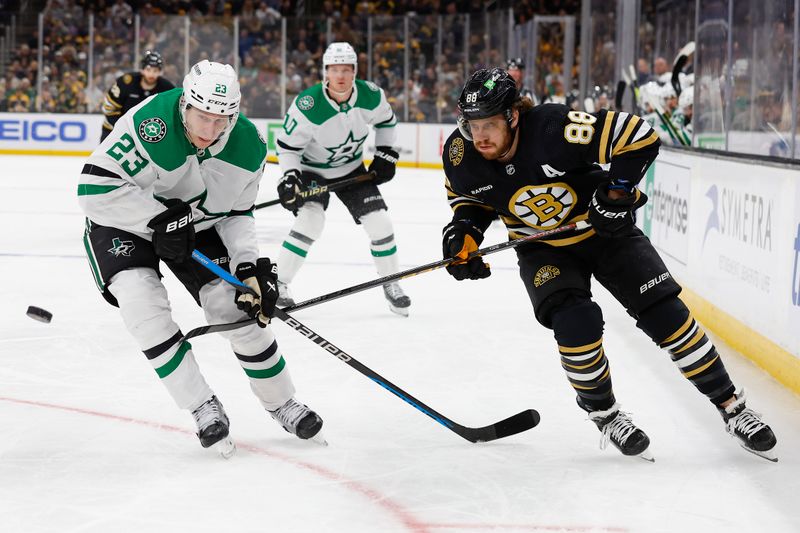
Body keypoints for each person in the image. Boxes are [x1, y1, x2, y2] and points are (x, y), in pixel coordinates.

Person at [440, 68, 777, 462]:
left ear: (514, 115)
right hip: (544, 251)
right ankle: (606, 414)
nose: (479, 136)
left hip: (607, 236)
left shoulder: (554, 127)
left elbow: (639, 135)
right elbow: (471, 200)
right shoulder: (460, 154)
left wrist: (616, 193)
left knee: (667, 316)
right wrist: (463, 233)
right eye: (472, 125)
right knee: (574, 322)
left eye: (490, 125)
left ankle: (732, 406)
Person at [78, 60, 324, 457]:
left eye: (221, 120)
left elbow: (239, 213)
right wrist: (156, 220)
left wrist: (247, 266)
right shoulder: (149, 122)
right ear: (184, 106)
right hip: (124, 221)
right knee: (144, 311)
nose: (210, 131)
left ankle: (281, 402)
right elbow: (92, 190)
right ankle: (201, 406)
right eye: (202, 117)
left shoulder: (249, 146)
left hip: (195, 225)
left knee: (238, 309)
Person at [275, 41, 411, 316]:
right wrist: (289, 178)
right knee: (311, 221)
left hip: (351, 168)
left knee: (380, 223)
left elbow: (386, 121)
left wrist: (386, 152)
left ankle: (391, 282)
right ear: (325, 72)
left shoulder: (371, 95)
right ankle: (278, 284)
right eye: (334, 69)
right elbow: (288, 147)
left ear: (355, 71)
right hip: (312, 171)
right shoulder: (308, 104)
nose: (340, 76)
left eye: (347, 69)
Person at [100, 50, 175, 142]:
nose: (151, 74)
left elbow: (172, 114)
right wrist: (124, 129)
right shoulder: (125, 83)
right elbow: (109, 108)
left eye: (155, 71)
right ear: (142, 69)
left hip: (146, 136)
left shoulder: (167, 88)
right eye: (148, 70)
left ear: (160, 72)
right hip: (113, 130)